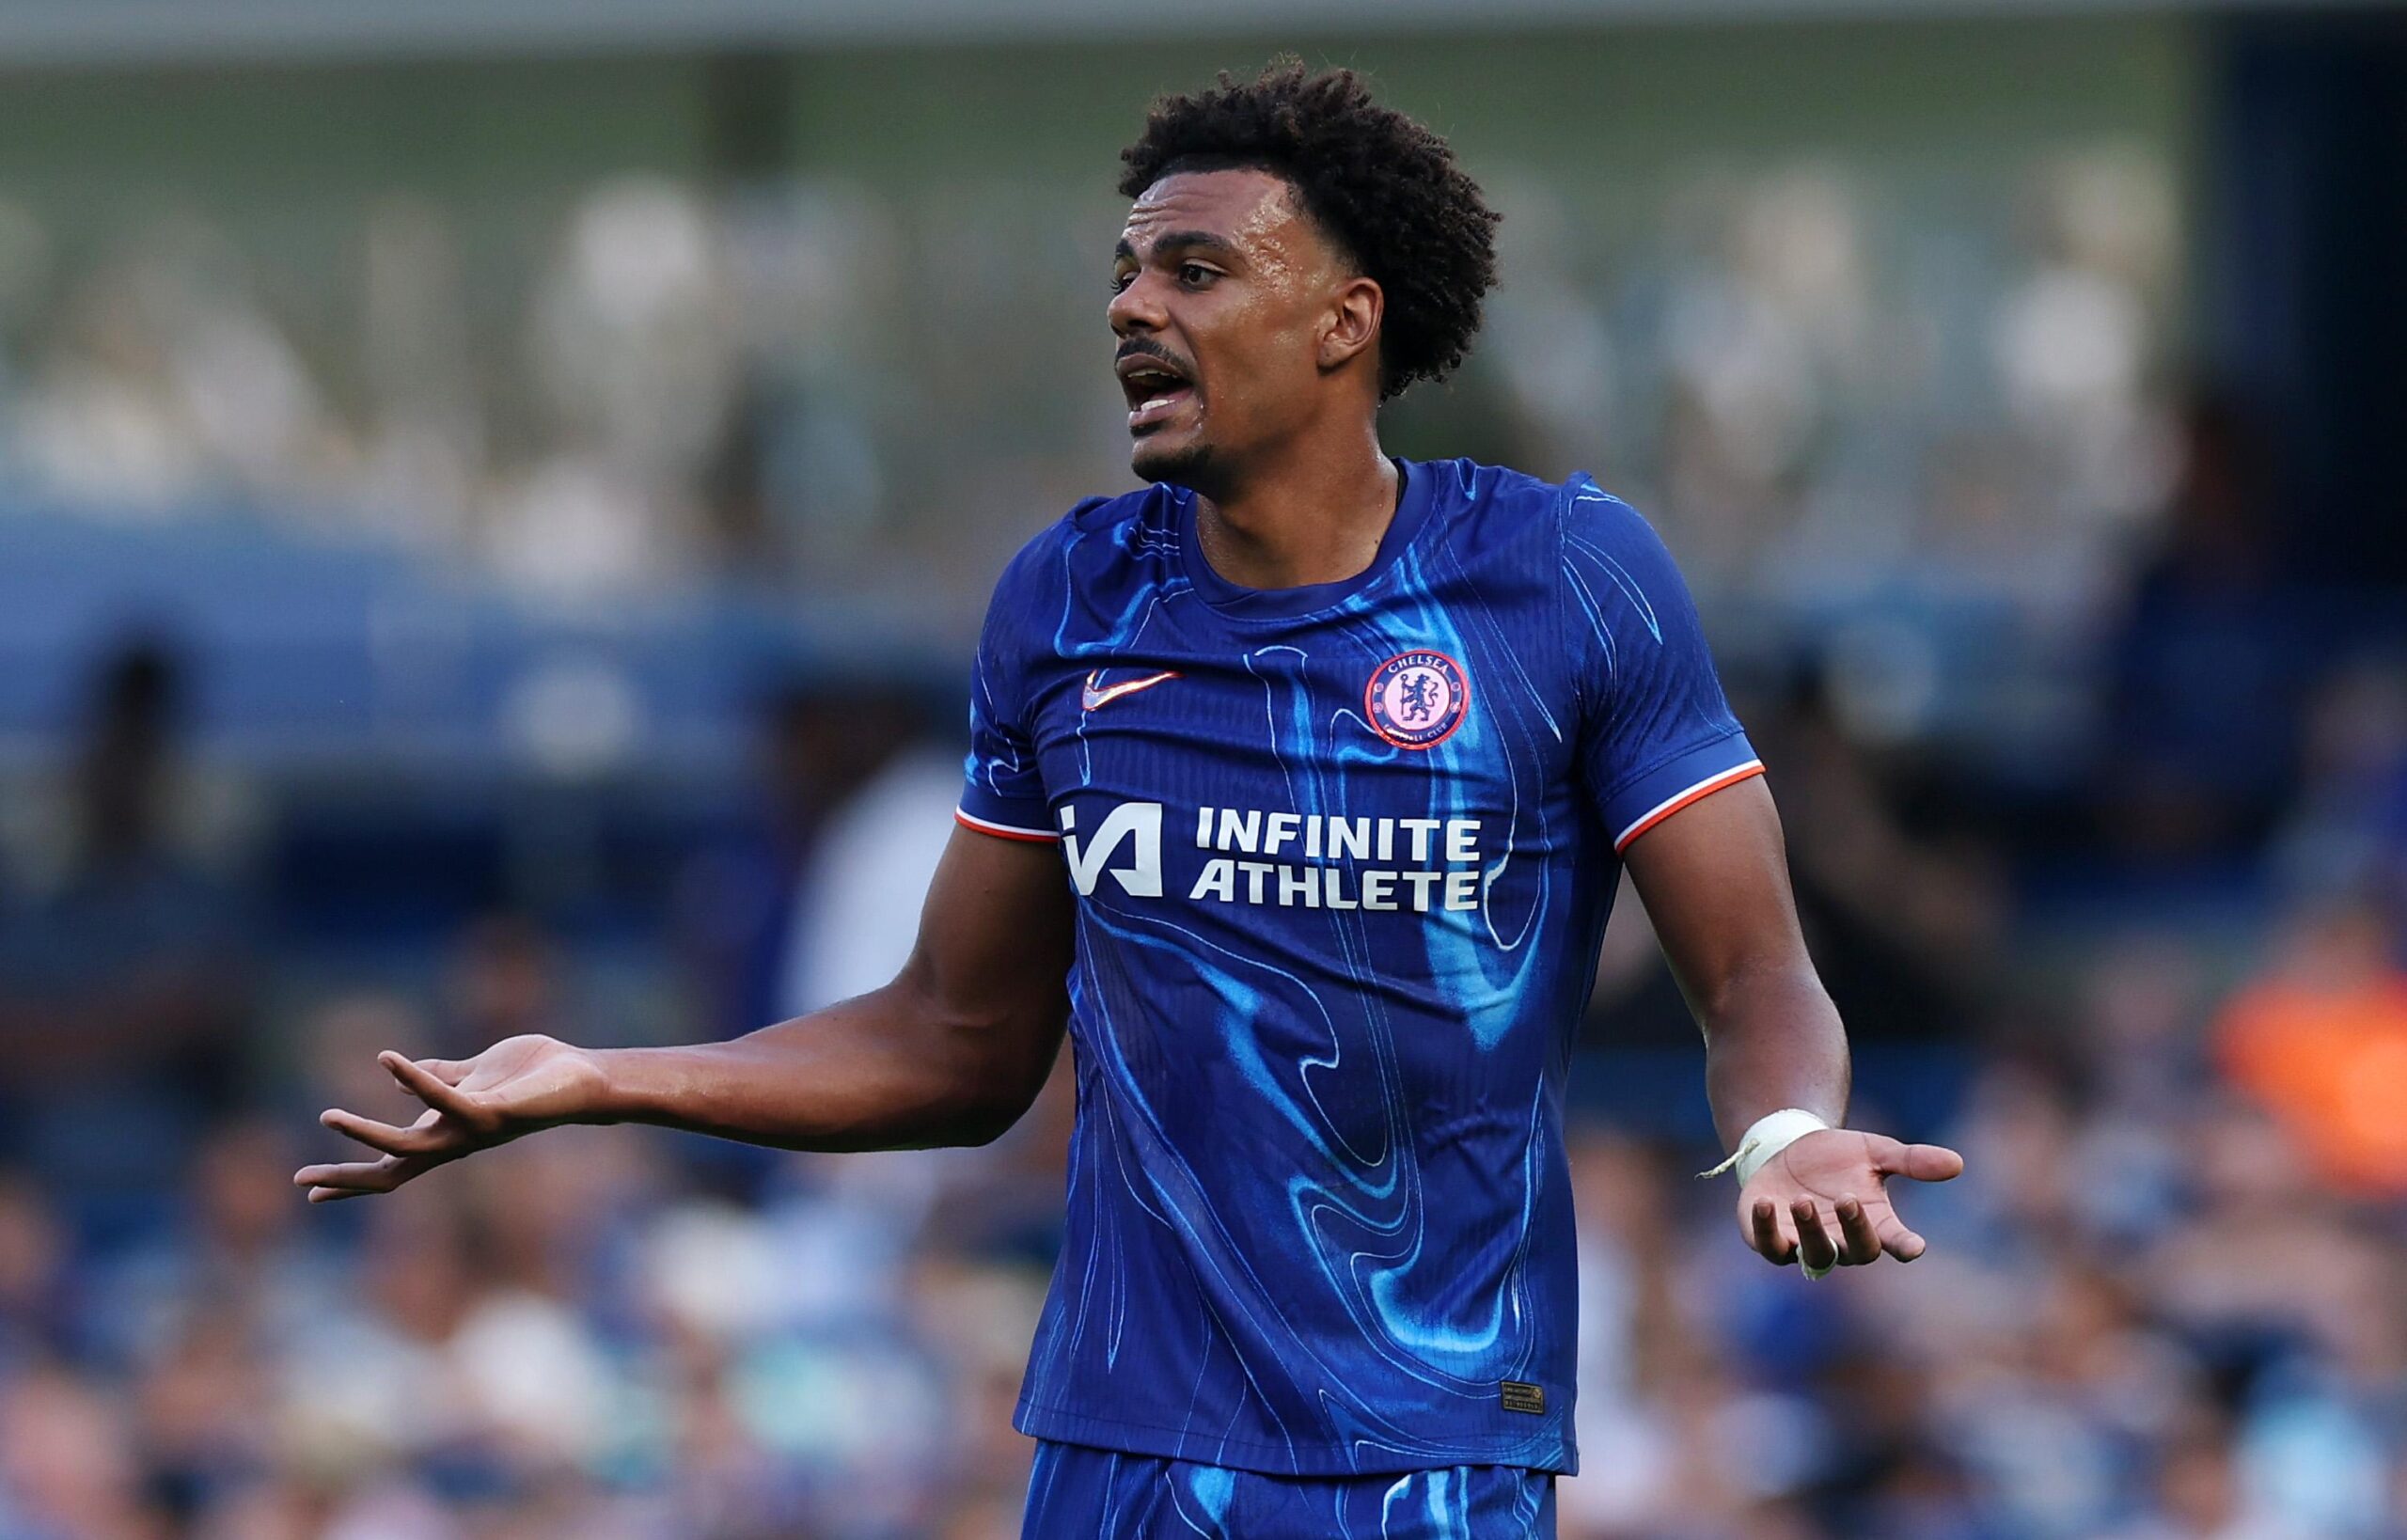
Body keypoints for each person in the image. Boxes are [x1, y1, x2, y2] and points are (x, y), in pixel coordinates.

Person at [298, 61, 1964, 1536]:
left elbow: (1756, 971)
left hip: (1434, 1443)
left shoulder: (1569, 580)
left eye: (1195, 268)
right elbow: (956, 1039)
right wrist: (601, 1075)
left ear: (1346, 321)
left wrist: (1785, 1130)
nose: (1131, 306)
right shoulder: (1071, 600)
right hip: (1127, 1444)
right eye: (1125, 270)